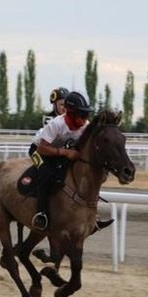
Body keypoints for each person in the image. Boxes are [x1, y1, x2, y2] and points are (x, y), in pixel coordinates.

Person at [30, 91, 93, 231]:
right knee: (46, 173)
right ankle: (41, 213)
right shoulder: (56, 124)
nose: (85, 119)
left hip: (58, 151)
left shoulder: (85, 126)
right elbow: (41, 149)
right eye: (81, 115)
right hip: (38, 150)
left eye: (86, 115)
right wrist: (65, 152)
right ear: (71, 113)